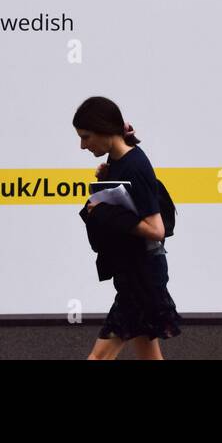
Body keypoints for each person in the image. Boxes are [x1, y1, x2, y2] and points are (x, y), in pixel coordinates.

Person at [74, 95, 181, 360]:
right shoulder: (118, 162)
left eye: (86, 137)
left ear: (105, 130)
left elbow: (156, 229)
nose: (82, 145)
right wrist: (106, 182)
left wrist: (107, 214)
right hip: (137, 271)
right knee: (149, 355)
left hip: (141, 277)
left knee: (98, 357)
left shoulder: (135, 166)